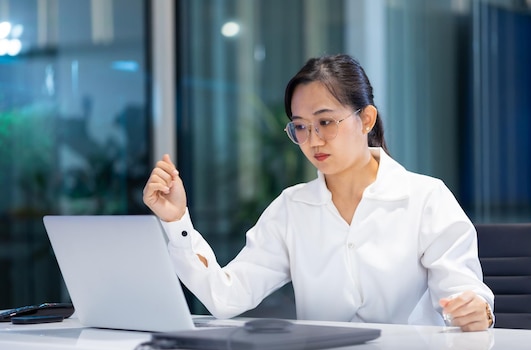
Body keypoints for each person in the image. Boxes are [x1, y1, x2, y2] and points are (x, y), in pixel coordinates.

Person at [143, 54, 494, 332]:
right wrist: (177, 221)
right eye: (300, 127)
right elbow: (225, 297)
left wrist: (475, 311)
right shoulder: (292, 208)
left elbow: (464, 295)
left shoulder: (425, 198)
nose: (313, 140)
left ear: (366, 119)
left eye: (326, 122)